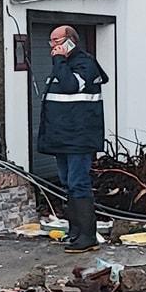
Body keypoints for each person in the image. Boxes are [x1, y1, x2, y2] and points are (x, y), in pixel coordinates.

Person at [39, 24, 109, 253]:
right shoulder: (63, 65)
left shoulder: (84, 63)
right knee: (68, 183)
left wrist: (59, 61)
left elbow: (71, 87)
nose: (53, 46)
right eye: (51, 41)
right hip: (62, 138)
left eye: (56, 40)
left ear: (70, 41)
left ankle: (87, 236)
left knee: (79, 183)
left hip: (78, 137)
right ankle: (75, 231)